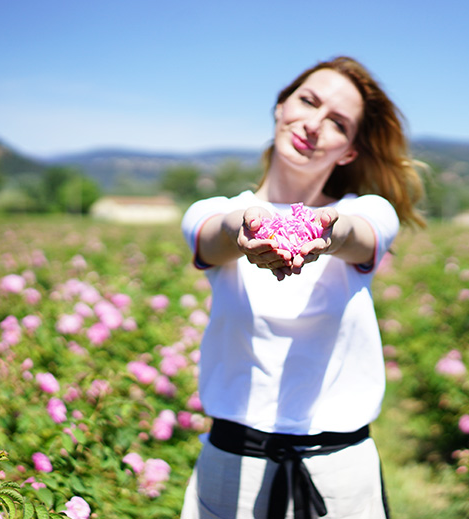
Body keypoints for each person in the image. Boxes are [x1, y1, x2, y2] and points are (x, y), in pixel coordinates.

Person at [180, 56, 425, 519]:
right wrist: (245, 227)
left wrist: (321, 230)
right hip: (233, 464)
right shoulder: (213, 211)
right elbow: (213, 236)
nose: (313, 124)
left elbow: (357, 235)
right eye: (307, 101)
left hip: (338, 474)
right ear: (280, 107)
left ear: (349, 150)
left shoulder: (370, 211)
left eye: (336, 122)